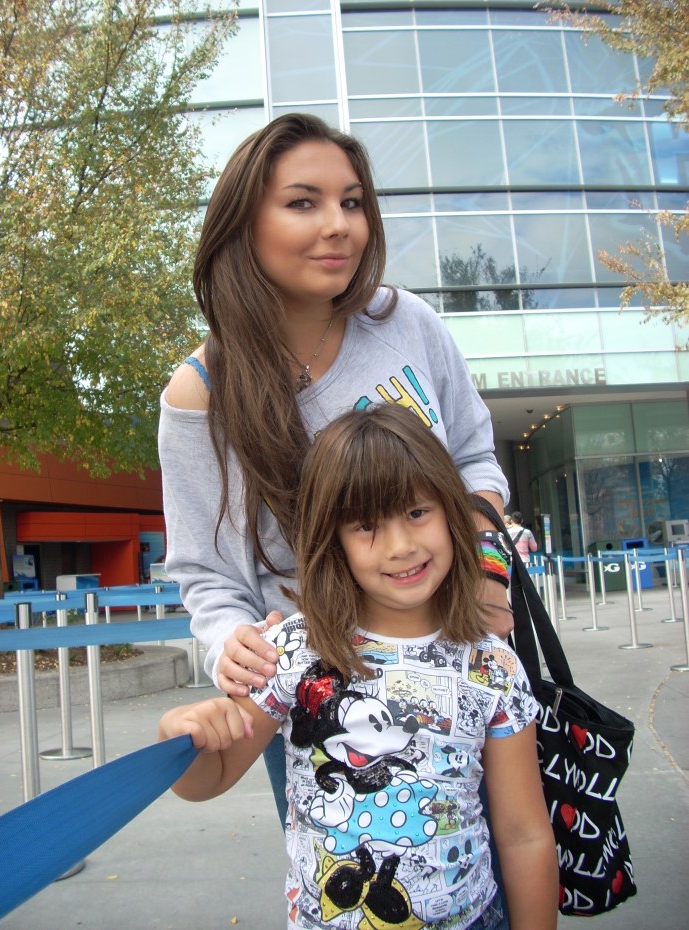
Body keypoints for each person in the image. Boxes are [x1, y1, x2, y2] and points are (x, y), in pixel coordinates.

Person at [158, 112, 513, 821]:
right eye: (303, 202)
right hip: (320, 690)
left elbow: (475, 458)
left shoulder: (405, 321)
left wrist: (488, 573)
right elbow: (206, 571)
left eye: (352, 201)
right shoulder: (202, 392)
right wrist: (233, 646)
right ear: (243, 225)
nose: (340, 224)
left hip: (459, 652)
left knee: (501, 859)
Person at [158, 405, 558, 930]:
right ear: (333, 539)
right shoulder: (293, 652)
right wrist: (182, 736)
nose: (401, 546)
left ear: (451, 513)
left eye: (418, 512)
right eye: (366, 525)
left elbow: (525, 833)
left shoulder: (493, 666)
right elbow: (209, 779)